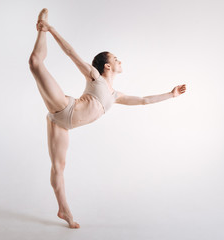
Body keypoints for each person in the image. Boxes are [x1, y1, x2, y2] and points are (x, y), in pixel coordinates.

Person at [29, 8, 186, 229]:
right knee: (35, 63)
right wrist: (51, 30)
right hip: (65, 107)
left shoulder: (115, 95)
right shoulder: (95, 77)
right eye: (116, 59)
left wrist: (171, 94)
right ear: (107, 66)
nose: (120, 61)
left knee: (59, 166)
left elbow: (143, 100)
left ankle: (63, 209)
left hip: (61, 124)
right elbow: (71, 52)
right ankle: (42, 27)